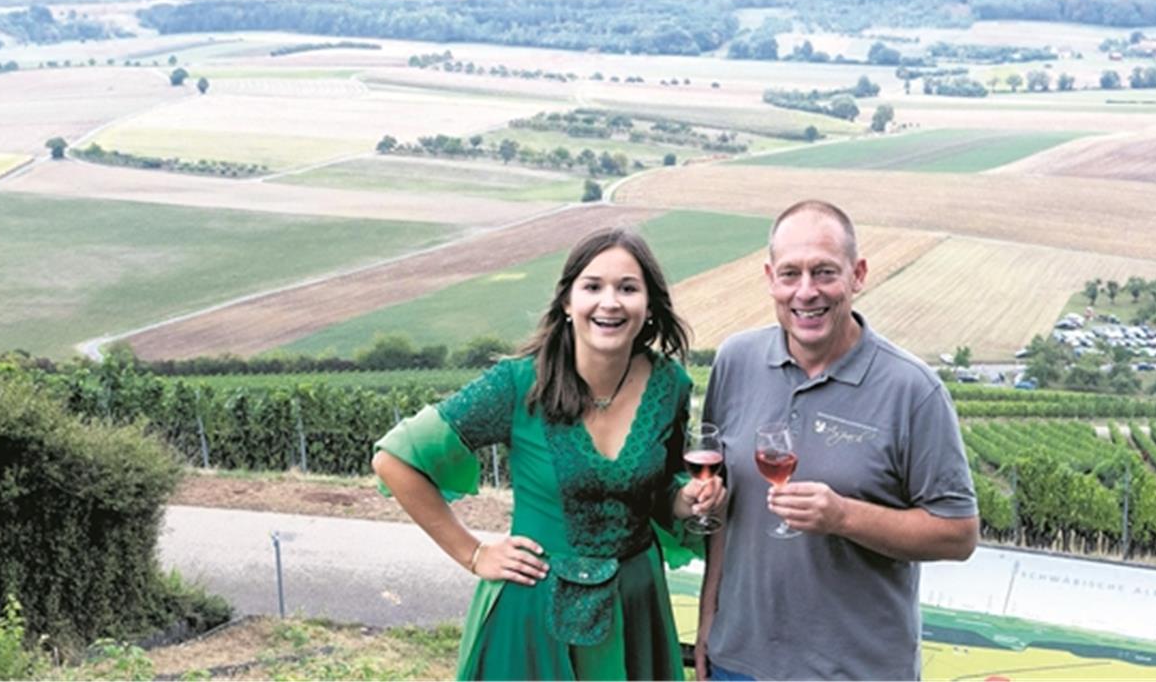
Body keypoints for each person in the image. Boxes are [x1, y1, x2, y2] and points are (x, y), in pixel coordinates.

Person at [373, 227, 724, 680]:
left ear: (650, 305)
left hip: (637, 606)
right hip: (531, 611)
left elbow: (660, 485)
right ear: (567, 302)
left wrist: (685, 499)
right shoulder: (516, 385)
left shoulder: (669, 385)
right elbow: (395, 460)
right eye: (593, 286)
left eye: (628, 288)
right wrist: (474, 553)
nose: (610, 302)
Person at [696, 200, 978, 680]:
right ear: (770, 279)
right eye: (790, 274)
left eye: (824, 272)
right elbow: (729, 511)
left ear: (858, 275)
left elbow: (959, 534)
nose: (806, 292)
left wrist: (844, 516)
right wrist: (709, 622)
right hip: (739, 665)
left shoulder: (912, 390)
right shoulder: (735, 361)